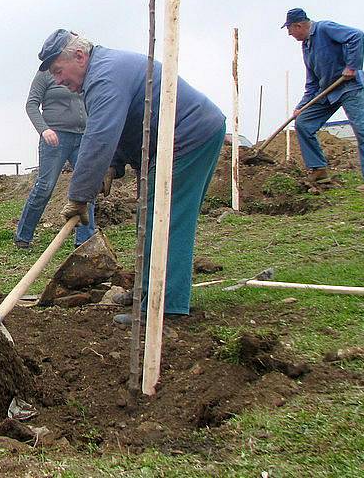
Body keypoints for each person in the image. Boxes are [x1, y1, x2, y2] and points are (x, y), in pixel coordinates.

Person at [37, 29, 226, 325]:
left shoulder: (104, 76)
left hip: (187, 138)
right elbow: (121, 127)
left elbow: (99, 136)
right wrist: (112, 166)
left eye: (59, 71)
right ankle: (150, 296)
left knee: (165, 219)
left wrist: (78, 197)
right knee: (156, 217)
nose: (58, 81)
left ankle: (165, 308)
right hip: (183, 138)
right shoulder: (102, 73)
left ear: (79, 56)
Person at [282, 8, 364, 191]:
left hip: (349, 87)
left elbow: (357, 36)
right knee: (303, 122)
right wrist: (301, 107)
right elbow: (312, 83)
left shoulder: (325, 28)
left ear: (299, 25)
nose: (289, 34)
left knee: (360, 129)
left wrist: (352, 66)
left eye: (290, 29)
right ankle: (319, 170)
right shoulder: (306, 47)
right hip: (328, 92)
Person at [14, 70, 96, 249]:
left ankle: (84, 241)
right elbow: (31, 105)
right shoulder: (45, 74)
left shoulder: (81, 72)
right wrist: (44, 129)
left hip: (83, 136)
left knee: (87, 185)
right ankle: (23, 236)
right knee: (45, 186)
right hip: (55, 137)